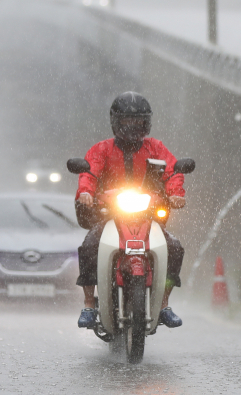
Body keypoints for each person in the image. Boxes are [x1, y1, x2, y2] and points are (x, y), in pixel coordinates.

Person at [75, 91, 186, 329]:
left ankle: (164, 303)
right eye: (126, 120)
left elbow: (173, 172)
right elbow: (89, 173)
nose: (132, 126)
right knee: (89, 247)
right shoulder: (101, 149)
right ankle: (88, 304)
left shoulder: (156, 148)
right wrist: (85, 192)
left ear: (147, 123)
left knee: (173, 247)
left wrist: (176, 193)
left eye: (138, 121)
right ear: (115, 121)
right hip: (109, 215)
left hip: (147, 216)